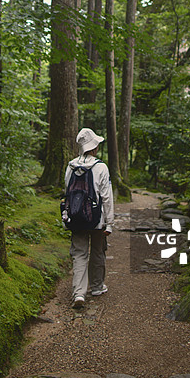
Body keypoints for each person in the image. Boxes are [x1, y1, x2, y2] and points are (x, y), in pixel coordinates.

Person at [64, 127, 114, 309]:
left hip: (76, 217)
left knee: (79, 253)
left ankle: (79, 293)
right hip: (96, 219)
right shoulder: (101, 167)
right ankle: (97, 287)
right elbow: (107, 197)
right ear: (94, 147)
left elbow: (67, 193)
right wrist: (110, 223)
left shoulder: (70, 166)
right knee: (98, 250)